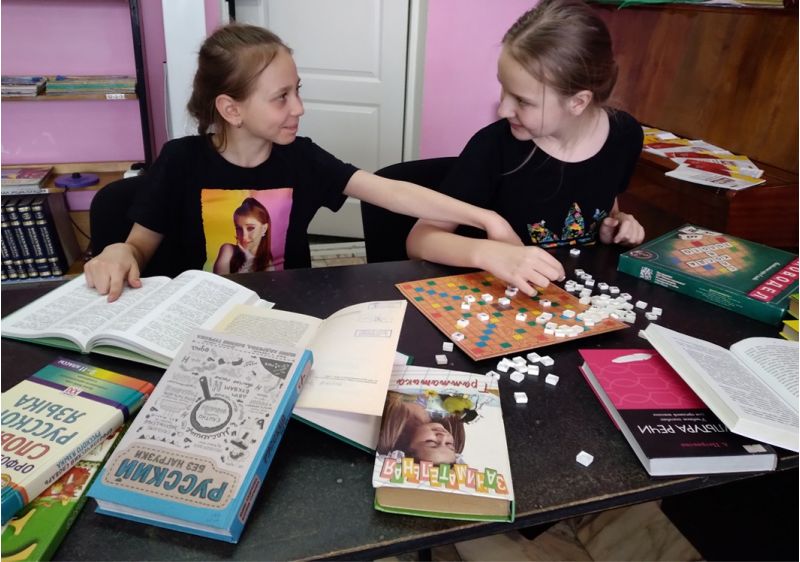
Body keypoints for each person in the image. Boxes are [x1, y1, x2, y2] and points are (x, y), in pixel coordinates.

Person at [84, 23, 519, 302]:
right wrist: (119, 251)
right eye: (281, 97)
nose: (299, 108)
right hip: (199, 315)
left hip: (284, 313)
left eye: (298, 90)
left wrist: (485, 218)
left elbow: (390, 191)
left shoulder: (301, 157)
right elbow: (138, 246)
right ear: (231, 109)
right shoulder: (181, 160)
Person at [406, 0, 645, 297]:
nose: (503, 109)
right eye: (503, 88)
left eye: (522, 101)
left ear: (578, 102)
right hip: (495, 301)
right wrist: (487, 253)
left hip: (569, 300)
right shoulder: (493, 146)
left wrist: (616, 224)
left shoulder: (625, 136)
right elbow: (420, 240)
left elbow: (604, 202)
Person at [376, 392, 466, 465]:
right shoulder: (444, 414)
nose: (443, 436)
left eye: (431, 442)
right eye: (449, 444)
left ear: (406, 445)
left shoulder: (389, 413)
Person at [213, 197, 272, 274]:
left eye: (250, 228)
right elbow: (219, 281)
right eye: (239, 229)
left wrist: (250, 260)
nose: (244, 236)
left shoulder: (268, 263)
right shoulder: (228, 250)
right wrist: (247, 262)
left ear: (264, 229)